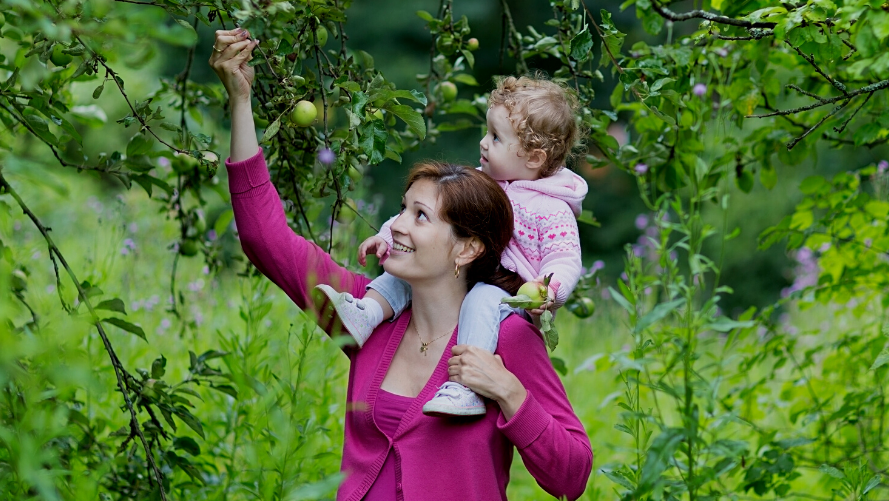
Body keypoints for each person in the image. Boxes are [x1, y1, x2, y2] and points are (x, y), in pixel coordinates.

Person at [209, 28, 592, 500]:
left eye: (421, 217)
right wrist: (240, 100)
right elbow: (264, 238)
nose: (398, 228)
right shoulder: (366, 317)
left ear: (467, 248)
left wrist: (510, 392)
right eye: (403, 210)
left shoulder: (504, 337)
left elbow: (572, 476)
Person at [316, 75, 588, 417]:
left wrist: (550, 289)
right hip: (470, 271)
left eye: (495, 137)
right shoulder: (484, 182)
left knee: (480, 300)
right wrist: (388, 237)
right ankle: (366, 313)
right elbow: (427, 216)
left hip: (508, 291)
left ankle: (464, 387)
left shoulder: (551, 208)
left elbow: (564, 258)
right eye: (486, 132)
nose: (483, 143)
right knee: (410, 266)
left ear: (533, 158)